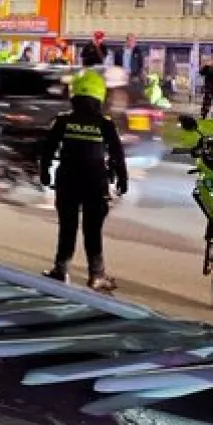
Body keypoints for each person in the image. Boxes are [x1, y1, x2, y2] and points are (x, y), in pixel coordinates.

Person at [38, 69, 127, 291]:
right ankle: (96, 275)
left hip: (67, 180)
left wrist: (45, 172)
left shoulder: (64, 121)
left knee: (67, 227)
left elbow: (48, 149)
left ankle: (60, 270)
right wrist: (122, 179)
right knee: (92, 230)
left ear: (74, 96)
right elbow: (117, 154)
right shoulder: (105, 124)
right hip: (94, 183)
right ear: (100, 97)